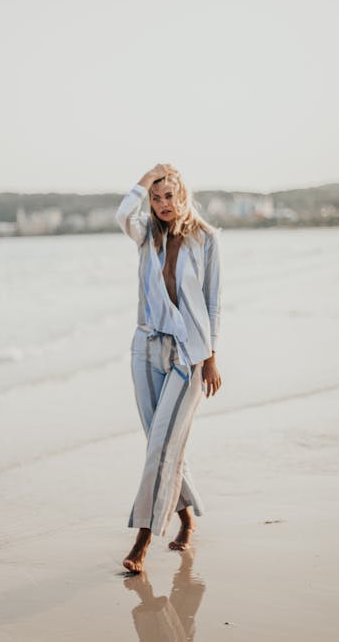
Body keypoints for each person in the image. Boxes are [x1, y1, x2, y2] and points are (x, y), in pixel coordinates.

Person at [115, 163, 222, 573]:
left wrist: (211, 356)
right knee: (159, 443)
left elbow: (213, 301)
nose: (163, 204)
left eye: (170, 196)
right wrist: (145, 178)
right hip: (145, 347)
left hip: (188, 354)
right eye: (156, 197)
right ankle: (186, 517)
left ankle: (142, 538)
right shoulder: (145, 234)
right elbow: (122, 215)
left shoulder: (206, 239)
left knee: (163, 445)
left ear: (183, 195)